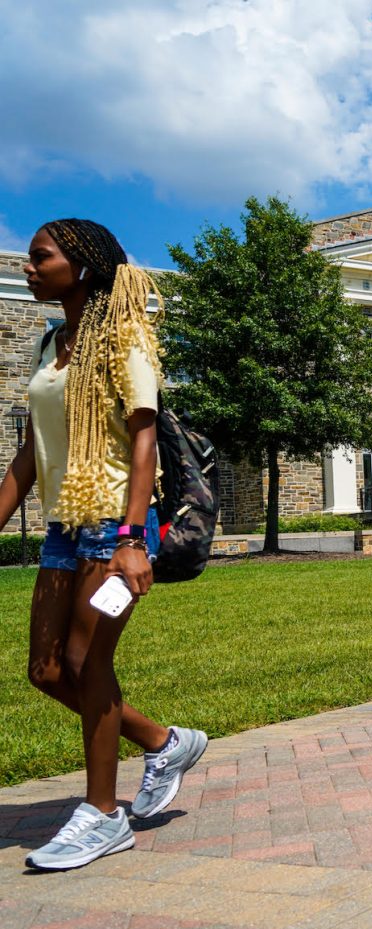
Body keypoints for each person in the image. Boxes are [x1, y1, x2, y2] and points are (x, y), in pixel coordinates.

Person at [0, 219, 207, 871]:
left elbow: (143, 440)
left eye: (42, 257)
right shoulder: (51, 345)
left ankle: (102, 814)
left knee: (90, 663)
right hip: (67, 528)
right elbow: (30, 452)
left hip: (118, 527)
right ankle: (162, 741)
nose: (30, 267)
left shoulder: (125, 339)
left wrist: (130, 539)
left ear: (83, 267)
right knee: (47, 670)